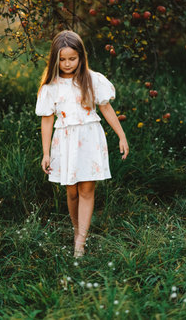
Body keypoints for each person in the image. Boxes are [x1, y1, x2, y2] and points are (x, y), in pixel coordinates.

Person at [35, 30, 129, 258]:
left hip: (90, 140)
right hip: (65, 142)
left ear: (81, 57)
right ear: (55, 59)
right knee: (72, 191)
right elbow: (47, 121)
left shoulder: (92, 80)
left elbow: (106, 108)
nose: (67, 64)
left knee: (87, 189)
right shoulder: (50, 87)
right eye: (63, 59)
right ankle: (77, 228)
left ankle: (80, 242)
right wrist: (45, 153)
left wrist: (121, 135)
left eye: (72, 59)